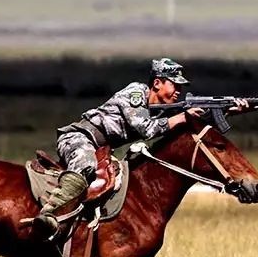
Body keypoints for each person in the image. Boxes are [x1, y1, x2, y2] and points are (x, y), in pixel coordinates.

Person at [32, 58, 244, 235]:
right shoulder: (135, 94)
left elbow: (188, 123)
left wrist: (229, 111)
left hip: (103, 148)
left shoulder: (161, 109)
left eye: (180, 86)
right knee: (86, 168)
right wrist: (182, 117)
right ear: (158, 83)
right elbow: (147, 129)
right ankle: (47, 215)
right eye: (174, 84)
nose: (179, 91)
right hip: (80, 137)